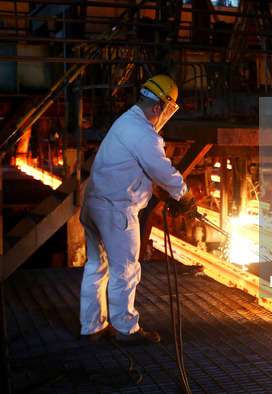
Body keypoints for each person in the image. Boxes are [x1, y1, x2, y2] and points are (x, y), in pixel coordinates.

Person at [79, 75, 196, 345]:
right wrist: (185, 196)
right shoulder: (144, 134)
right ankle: (126, 329)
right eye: (167, 110)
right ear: (159, 108)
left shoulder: (125, 121)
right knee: (125, 271)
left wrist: (159, 194)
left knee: (96, 267)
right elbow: (161, 170)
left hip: (94, 204)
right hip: (116, 212)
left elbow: (132, 169)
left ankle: (92, 326)